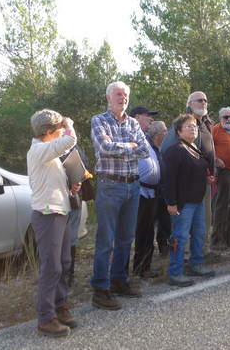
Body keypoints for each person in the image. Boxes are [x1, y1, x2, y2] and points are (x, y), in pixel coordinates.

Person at [90, 81, 150, 310]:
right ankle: (99, 290)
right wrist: (131, 146)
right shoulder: (99, 120)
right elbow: (104, 149)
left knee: (125, 238)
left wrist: (122, 148)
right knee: (106, 240)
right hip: (110, 186)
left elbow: (144, 151)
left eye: (125, 95)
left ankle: (118, 281)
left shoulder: (134, 122)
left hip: (133, 186)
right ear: (108, 98)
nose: (122, 97)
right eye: (117, 94)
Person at [27, 109, 80, 337]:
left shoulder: (48, 153)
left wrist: (71, 185)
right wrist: (69, 124)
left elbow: (52, 181)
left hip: (61, 211)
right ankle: (46, 319)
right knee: (51, 267)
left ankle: (59, 307)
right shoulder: (39, 150)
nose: (62, 133)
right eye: (58, 130)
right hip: (48, 215)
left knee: (64, 263)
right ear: (49, 132)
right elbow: (70, 140)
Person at [160, 92, 217, 258]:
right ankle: (183, 258)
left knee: (204, 220)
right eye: (200, 100)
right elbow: (166, 152)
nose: (204, 103)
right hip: (186, 186)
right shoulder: (181, 124)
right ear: (190, 104)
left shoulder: (205, 124)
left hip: (204, 182)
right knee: (184, 225)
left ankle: (202, 252)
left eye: (206, 100)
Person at [164, 114, 216, 287]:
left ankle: (196, 264)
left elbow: (197, 170)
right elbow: (169, 179)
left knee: (199, 234)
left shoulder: (195, 147)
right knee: (180, 237)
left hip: (198, 200)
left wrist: (206, 178)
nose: (193, 128)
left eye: (194, 126)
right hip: (183, 203)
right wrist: (172, 203)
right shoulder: (176, 149)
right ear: (179, 131)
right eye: (188, 126)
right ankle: (175, 273)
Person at [128, 106, 161, 278]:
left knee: (148, 231)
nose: (151, 119)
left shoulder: (145, 138)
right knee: (137, 231)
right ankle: (132, 270)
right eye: (148, 116)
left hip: (150, 193)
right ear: (137, 117)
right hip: (138, 190)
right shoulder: (129, 135)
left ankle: (143, 267)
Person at [211, 107, 230, 249]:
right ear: (220, 118)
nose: (229, 119)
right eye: (226, 117)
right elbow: (207, 148)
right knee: (222, 205)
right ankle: (217, 240)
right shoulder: (215, 130)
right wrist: (216, 159)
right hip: (225, 171)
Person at [59, 144, 90, 286]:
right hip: (56, 200)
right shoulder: (47, 146)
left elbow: (85, 161)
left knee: (72, 237)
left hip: (73, 197)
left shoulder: (71, 144)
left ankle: (69, 274)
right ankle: (58, 276)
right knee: (57, 239)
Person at [148, 121, 171, 255]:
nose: (166, 133)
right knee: (149, 224)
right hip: (151, 192)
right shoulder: (148, 148)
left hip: (165, 191)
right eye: (164, 131)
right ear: (155, 134)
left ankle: (165, 249)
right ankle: (147, 254)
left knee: (166, 223)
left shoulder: (167, 148)